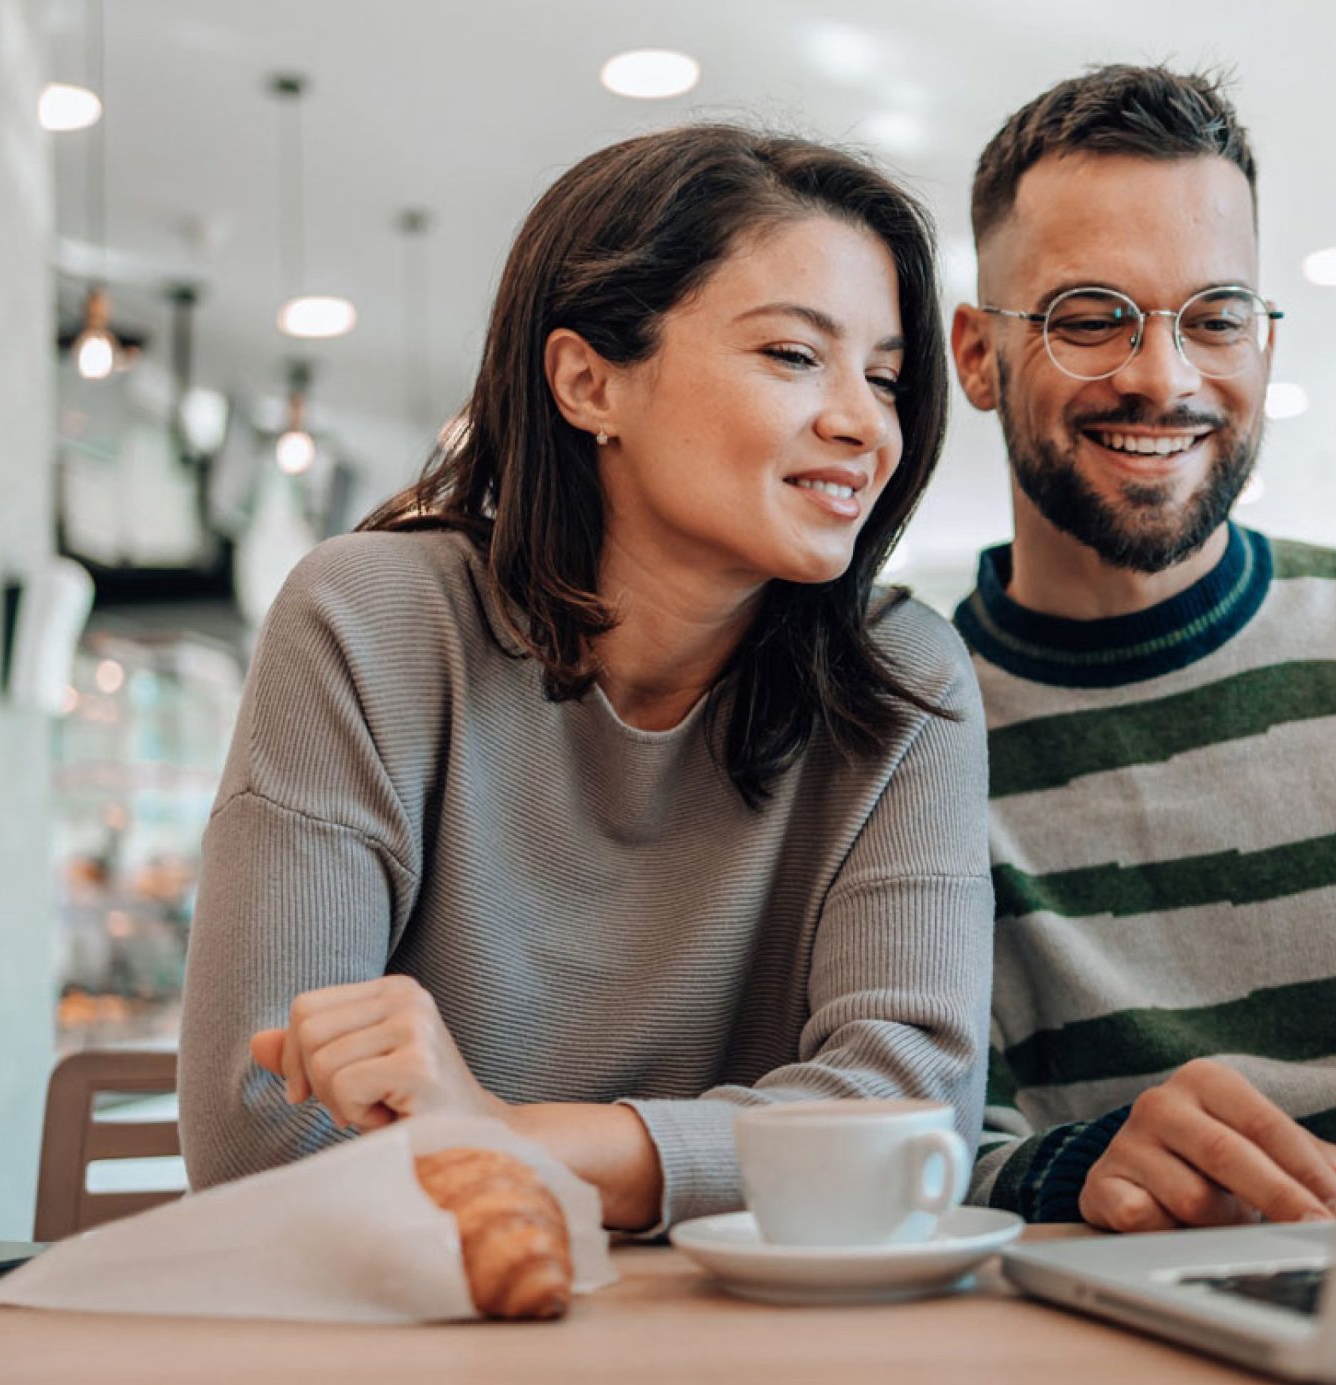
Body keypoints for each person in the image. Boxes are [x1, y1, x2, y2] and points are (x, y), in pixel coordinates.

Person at [177, 124, 994, 1236]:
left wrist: (502, 1139)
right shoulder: (369, 622)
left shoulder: (902, 680)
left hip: (756, 1330)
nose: (864, 424)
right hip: (435, 1323)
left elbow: (913, 1123)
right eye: (794, 355)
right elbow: (261, 1135)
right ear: (587, 381)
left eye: (886, 378)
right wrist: (713, 1159)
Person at [949, 67, 1336, 1232]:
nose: (1162, 378)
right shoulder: (905, 732)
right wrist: (1077, 1170)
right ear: (977, 356)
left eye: (1216, 318)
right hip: (1107, 1317)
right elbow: (911, 1148)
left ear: (1265, 346)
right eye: (1090, 317)